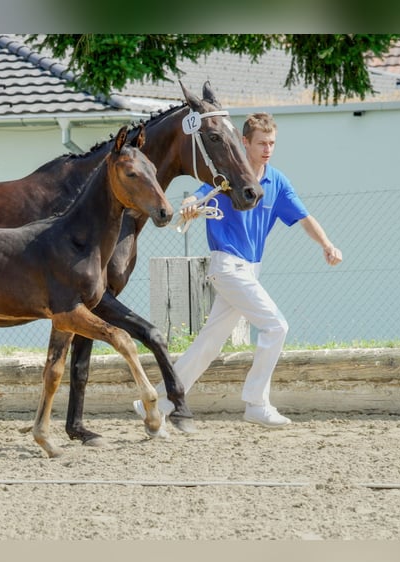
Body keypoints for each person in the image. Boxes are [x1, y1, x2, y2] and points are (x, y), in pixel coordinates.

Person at [135, 112, 342, 428]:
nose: (267, 148)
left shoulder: (278, 182)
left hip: (249, 270)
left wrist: (326, 244)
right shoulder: (227, 176)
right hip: (228, 267)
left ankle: (159, 401)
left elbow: (304, 218)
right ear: (245, 142)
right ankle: (256, 403)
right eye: (261, 143)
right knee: (276, 327)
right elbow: (198, 195)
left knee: (209, 343)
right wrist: (190, 205)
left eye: (272, 143)